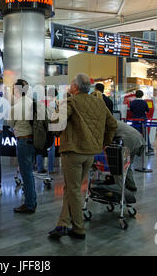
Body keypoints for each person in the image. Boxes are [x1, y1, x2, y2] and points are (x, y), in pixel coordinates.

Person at [48, 74, 117, 240]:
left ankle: (78, 228)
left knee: (73, 189)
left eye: (71, 85)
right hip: (91, 153)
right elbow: (112, 124)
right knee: (71, 188)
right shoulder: (99, 103)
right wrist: (103, 143)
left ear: (75, 88)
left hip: (73, 152)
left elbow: (56, 125)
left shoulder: (70, 102)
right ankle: (62, 224)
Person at [8, 79, 37, 213]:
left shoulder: (16, 107)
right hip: (33, 141)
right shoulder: (34, 104)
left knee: (26, 174)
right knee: (29, 172)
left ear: (18, 90)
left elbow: (11, 124)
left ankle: (30, 204)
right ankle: (32, 201)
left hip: (23, 141)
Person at [114, 120, 146, 191]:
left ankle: (119, 189)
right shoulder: (116, 121)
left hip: (128, 141)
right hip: (139, 140)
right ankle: (131, 185)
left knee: (119, 165)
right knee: (127, 164)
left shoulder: (108, 123)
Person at [36, 87, 58, 175]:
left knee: (39, 147)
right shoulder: (53, 103)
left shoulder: (40, 101)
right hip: (50, 127)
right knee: (51, 148)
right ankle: (51, 168)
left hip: (40, 127)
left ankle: (40, 168)